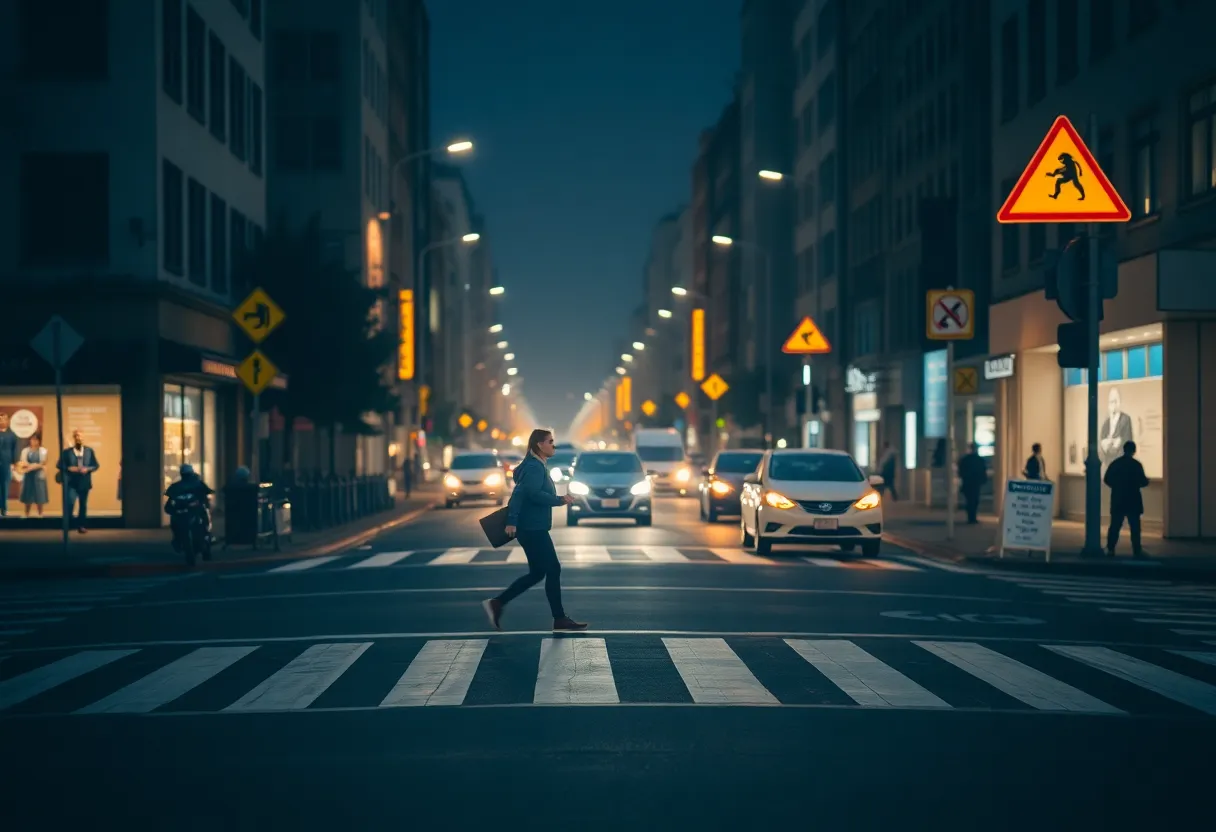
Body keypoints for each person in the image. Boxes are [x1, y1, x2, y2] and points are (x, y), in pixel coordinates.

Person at [482, 428, 587, 633]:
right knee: (553, 568)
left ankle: (498, 603)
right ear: (539, 445)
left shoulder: (535, 465)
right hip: (532, 528)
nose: (553, 445)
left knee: (538, 572)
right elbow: (525, 494)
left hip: (531, 527)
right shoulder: (534, 467)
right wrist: (559, 500)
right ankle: (559, 618)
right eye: (550, 441)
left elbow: (525, 492)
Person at [1104, 440, 1149, 559]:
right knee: (1135, 527)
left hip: (1118, 499)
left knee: (1115, 525)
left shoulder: (1116, 464)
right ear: (1134, 451)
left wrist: (1117, 486)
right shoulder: (1136, 465)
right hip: (1133, 499)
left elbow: (1107, 479)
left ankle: (1111, 548)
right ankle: (1136, 550)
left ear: (1123, 449)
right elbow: (1143, 481)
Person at [57, 428, 99, 533]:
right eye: (76, 436)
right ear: (74, 438)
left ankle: (81, 526)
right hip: (71, 482)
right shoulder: (67, 452)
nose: (78, 438)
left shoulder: (89, 451)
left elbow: (96, 465)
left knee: (83, 505)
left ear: (83, 437)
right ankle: (68, 525)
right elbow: (59, 464)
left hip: (84, 482)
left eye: (80, 436)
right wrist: (69, 468)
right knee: (70, 503)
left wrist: (87, 469)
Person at [18, 433, 49, 517]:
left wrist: (32, 467)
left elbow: (43, 463)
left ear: (39, 441)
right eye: (32, 439)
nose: (34, 441)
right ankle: (26, 513)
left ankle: (40, 513)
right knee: (27, 494)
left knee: (40, 494)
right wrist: (30, 466)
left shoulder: (43, 450)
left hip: (39, 475)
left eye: (36, 439)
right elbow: (23, 462)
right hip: (28, 475)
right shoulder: (25, 450)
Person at [957, 442, 987, 525]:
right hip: (975, 483)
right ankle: (973, 517)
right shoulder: (979, 460)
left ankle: (971, 517)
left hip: (968, 482)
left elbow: (961, 471)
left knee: (969, 500)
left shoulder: (965, 459)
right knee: (975, 500)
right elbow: (983, 471)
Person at [0, 412, 17, 516]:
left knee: (4, 486)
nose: (1, 421)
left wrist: (13, 463)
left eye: (3, 419)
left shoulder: (12, 435)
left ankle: (4, 509)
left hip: (6, 464)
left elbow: (15, 450)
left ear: (7, 421)